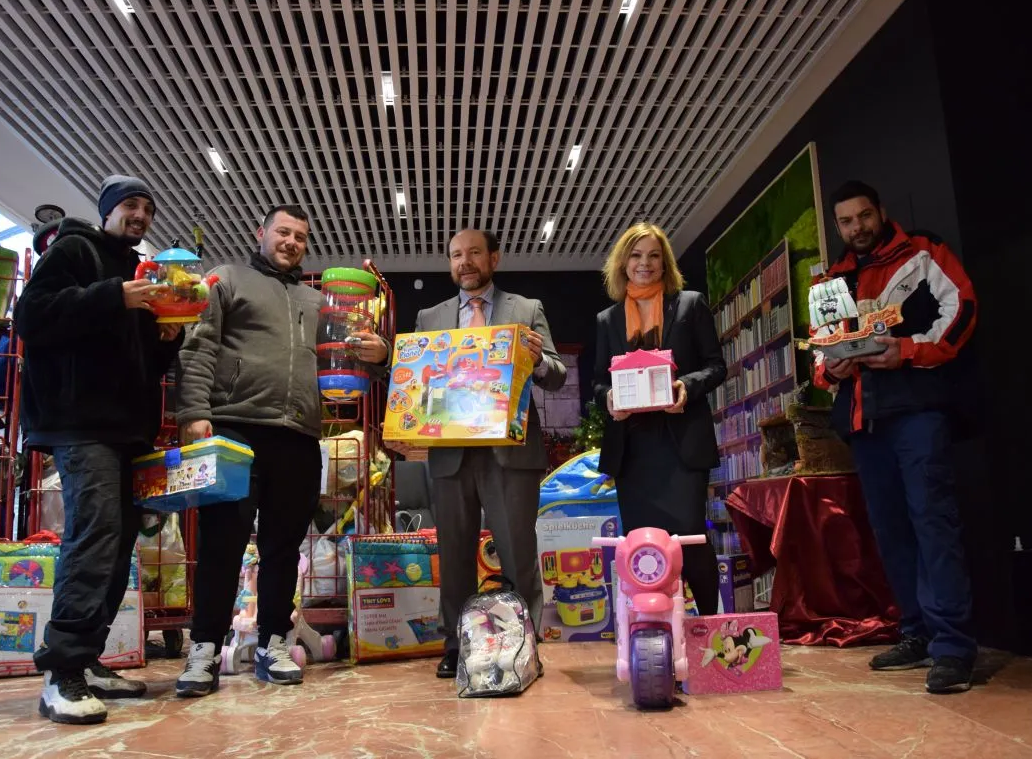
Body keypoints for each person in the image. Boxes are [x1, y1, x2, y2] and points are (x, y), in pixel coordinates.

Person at [174, 204, 383, 695]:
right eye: (283, 232)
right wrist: (193, 413)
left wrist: (377, 356)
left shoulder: (318, 301)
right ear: (260, 232)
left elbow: (346, 355)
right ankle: (203, 649)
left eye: (300, 237)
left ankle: (273, 641)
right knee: (222, 544)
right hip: (234, 430)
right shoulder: (227, 278)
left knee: (284, 548)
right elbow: (198, 345)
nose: (291, 242)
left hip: (300, 436)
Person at [15, 175, 183, 725]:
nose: (139, 215)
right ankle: (60, 669)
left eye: (147, 208)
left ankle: (86, 660)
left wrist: (166, 338)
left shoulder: (138, 271)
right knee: (96, 532)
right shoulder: (74, 249)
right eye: (130, 205)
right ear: (109, 209)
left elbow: (141, 361)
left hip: (127, 428)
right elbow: (32, 316)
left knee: (118, 542)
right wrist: (114, 296)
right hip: (78, 423)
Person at [376, 229, 566, 678]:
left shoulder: (526, 310)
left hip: (511, 455)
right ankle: (455, 645)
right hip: (450, 454)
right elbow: (415, 379)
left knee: (519, 552)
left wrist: (538, 361)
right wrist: (390, 362)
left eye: (474, 253)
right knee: (455, 554)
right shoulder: (430, 317)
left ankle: (524, 645)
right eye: (456, 255)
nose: (465, 262)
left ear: (493, 258)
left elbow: (556, 374)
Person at [813, 180, 978, 694]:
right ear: (837, 226)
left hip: (919, 413)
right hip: (865, 422)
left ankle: (952, 646)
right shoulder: (831, 280)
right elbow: (820, 356)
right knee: (891, 531)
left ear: (880, 212)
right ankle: (916, 632)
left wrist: (906, 351)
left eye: (863, 216)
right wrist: (831, 371)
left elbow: (963, 311)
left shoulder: (924, 252)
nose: (856, 228)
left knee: (934, 524)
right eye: (845, 221)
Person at [592, 222, 725, 615]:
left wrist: (685, 385)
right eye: (636, 255)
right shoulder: (607, 320)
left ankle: (708, 629)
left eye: (652, 255)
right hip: (632, 452)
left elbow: (717, 366)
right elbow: (598, 382)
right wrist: (610, 397)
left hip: (682, 446)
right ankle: (653, 627)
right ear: (623, 263)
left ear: (664, 261)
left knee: (691, 539)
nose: (644, 264)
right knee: (642, 547)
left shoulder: (690, 304)